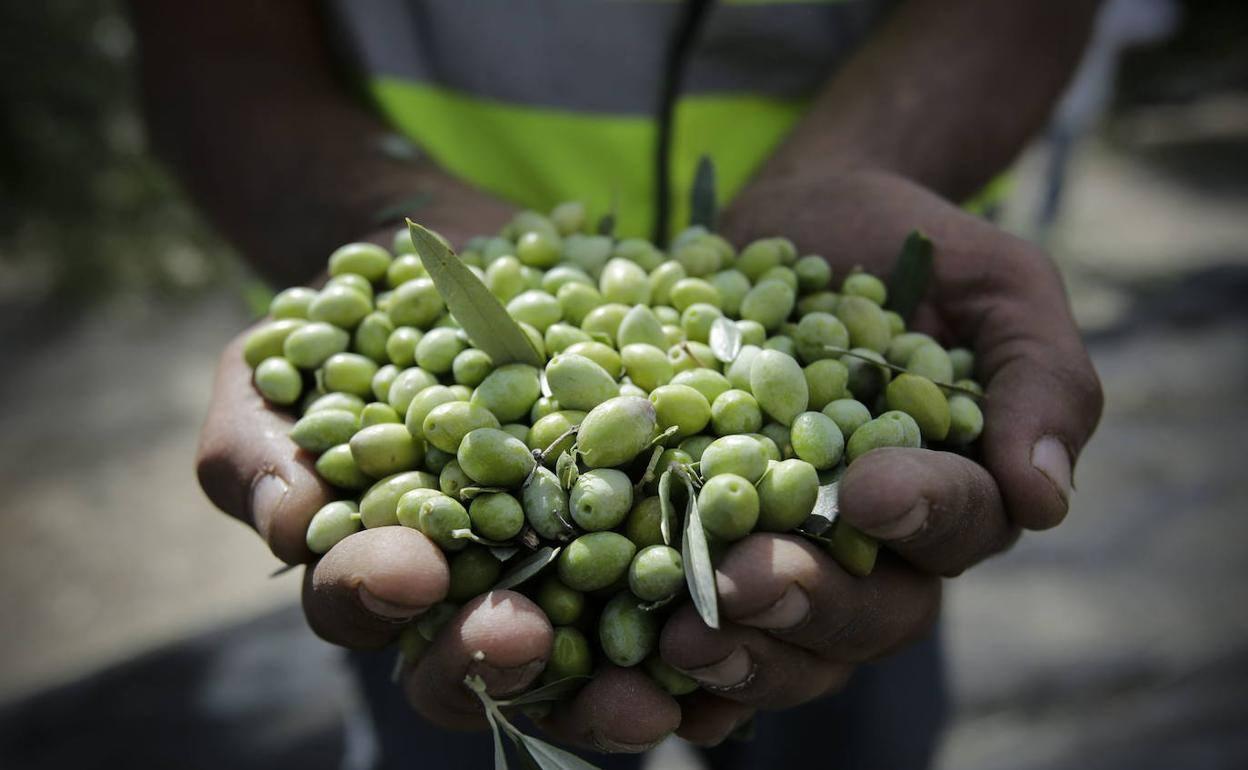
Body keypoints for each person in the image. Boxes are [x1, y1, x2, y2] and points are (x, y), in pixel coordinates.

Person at [129, 1, 1104, 767]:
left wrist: (871, 160)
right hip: (458, 246)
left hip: (817, 296)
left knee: (844, 706)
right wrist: (380, 213)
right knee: (466, 671)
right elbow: (210, 41)